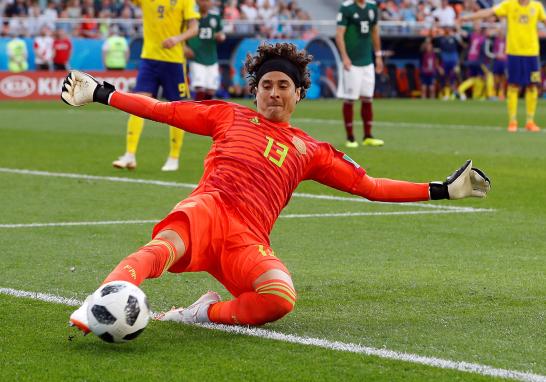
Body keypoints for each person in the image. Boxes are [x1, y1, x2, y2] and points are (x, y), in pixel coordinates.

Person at [62, 43, 490, 331]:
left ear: (299, 93)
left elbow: (370, 185)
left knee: (279, 298)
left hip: (248, 238)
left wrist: (439, 190)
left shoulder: (311, 149)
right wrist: (102, 93)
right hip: (209, 207)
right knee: (163, 246)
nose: (273, 92)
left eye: (283, 85)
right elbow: (164, 109)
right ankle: (97, 304)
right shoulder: (229, 116)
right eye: (265, 85)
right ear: (255, 91)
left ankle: (202, 313)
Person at [112, 0, 199, 172]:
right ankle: (130, 155)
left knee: (178, 109)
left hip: (173, 61)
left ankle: (174, 157)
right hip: (149, 59)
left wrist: (177, 39)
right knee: (138, 104)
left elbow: (194, 28)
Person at [460, 0, 545, 132]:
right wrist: (468, 17)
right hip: (514, 52)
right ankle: (512, 121)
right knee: (513, 85)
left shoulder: (537, 7)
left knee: (533, 85)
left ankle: (530, 121)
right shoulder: (509, 5)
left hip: (532, 53)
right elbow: (489, 12)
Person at [336, 0, 384, 149]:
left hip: (367, 61)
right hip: (352, 62)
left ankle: (367, 136)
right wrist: (344, 56)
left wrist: (378, 55)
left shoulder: (372, 7)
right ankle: (350, 137)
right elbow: (339, 34)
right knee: (350, 99)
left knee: (368, 98)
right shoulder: (346, 7)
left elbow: (375, 31)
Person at [186, 0, 225, 101]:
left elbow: (221, 33)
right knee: (200, 87)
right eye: (203, 1)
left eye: (207, 1)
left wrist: (221, 37)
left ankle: (205, 111)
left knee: (211, 89)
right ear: (197, 2)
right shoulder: (192, 17)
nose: (205, 3)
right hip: (196, 57)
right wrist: (186, 47)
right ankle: (198, 111)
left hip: (211, 57)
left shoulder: (215, 17)